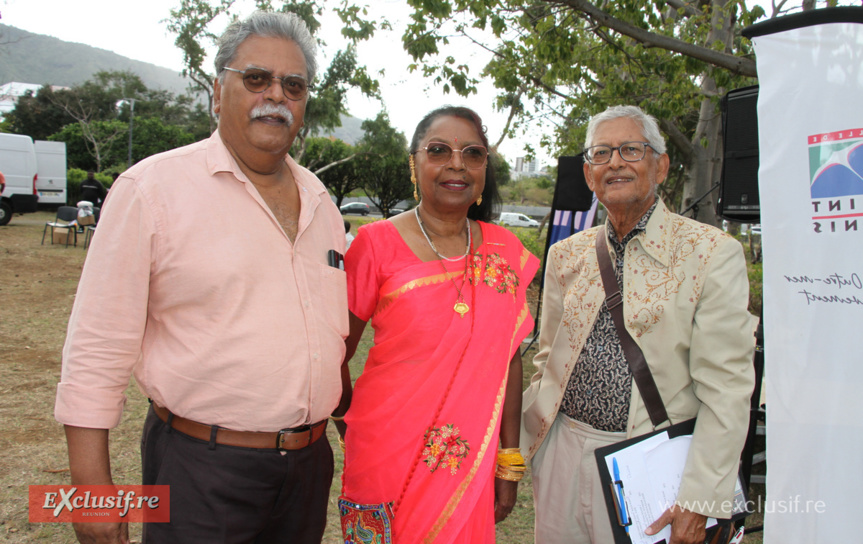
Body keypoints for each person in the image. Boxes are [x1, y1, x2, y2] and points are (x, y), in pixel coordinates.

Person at [55, 11, 348, 544]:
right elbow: (95, 349)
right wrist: (89, 491)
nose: (276, 95)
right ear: (218, 92)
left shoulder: (323, 205)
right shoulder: (150, 190)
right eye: (256, 78)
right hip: (199, 470)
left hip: (308, 472)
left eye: (294, 85)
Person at [521, 105, 757, 544]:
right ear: (590, 174)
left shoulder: (709, 253)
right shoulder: (565, 255)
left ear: (661, 166)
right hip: (561, 457)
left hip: (650, 464)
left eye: (631, 149)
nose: (615, 162)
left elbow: (728, 390)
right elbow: (546, 356)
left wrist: (700, 498)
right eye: (601, 153)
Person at [333, 106, 539, 543]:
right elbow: (333, 354)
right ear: (415, 162)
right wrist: (352, 428)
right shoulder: (376, 245)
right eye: (439, 150)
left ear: (485, 168)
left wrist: (509, 460)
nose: (457, 164)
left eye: (473, 153)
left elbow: (509, 360)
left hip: (469, 463)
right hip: (383, 455)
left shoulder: (505, 252)